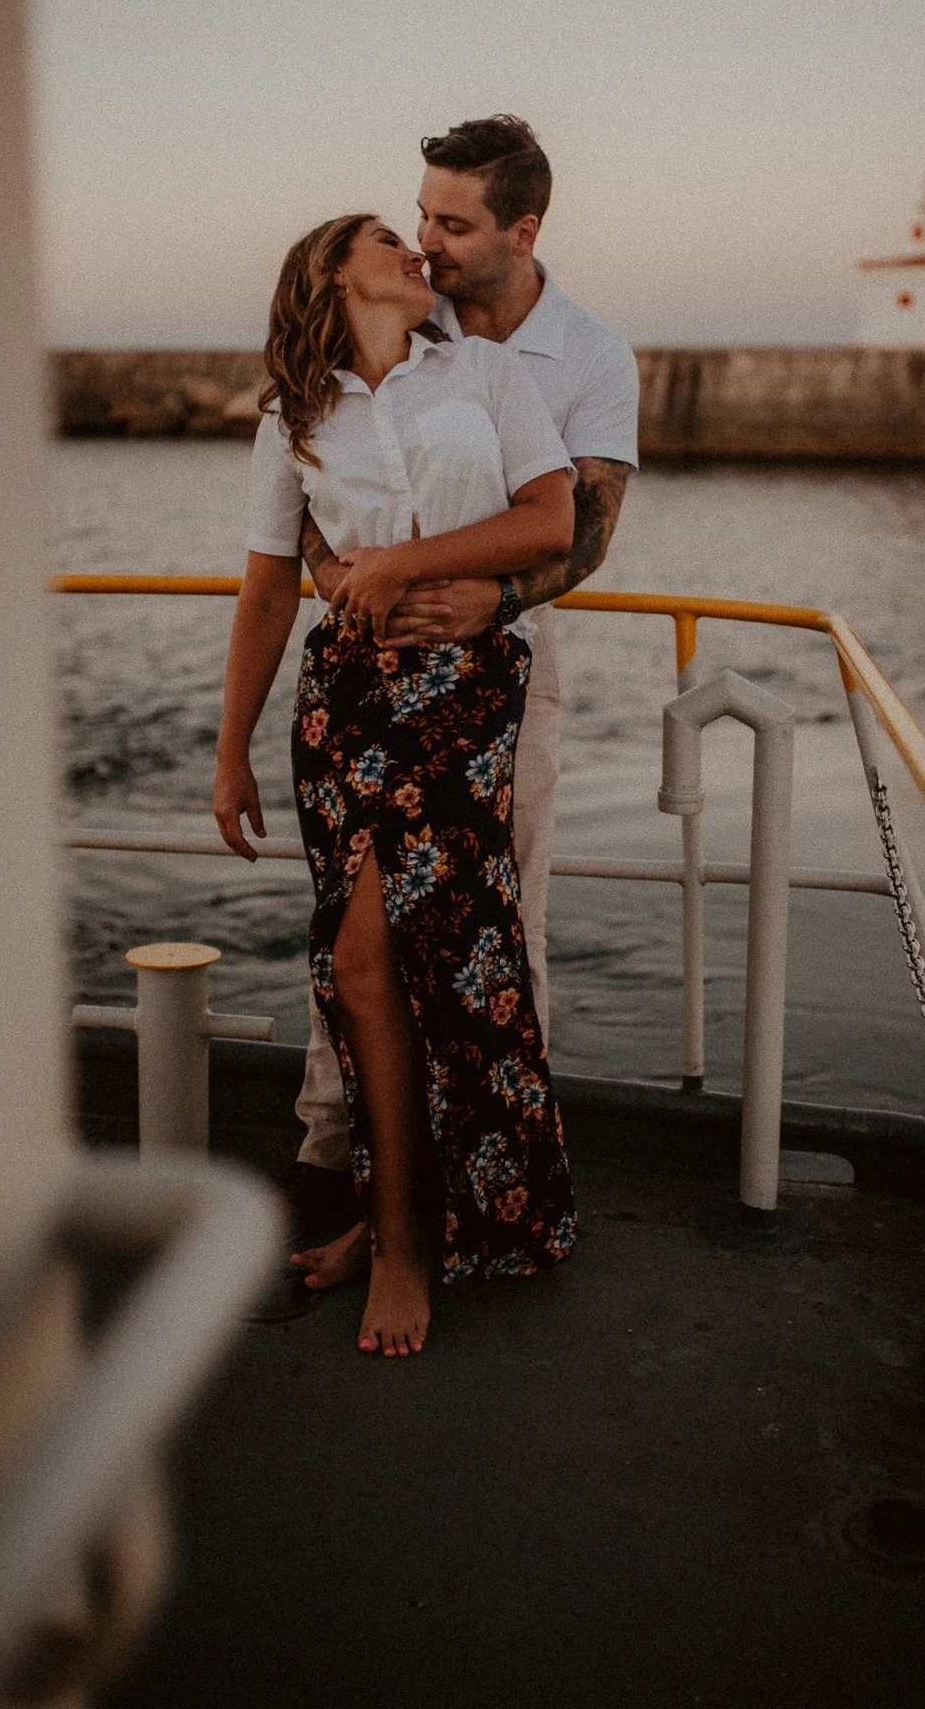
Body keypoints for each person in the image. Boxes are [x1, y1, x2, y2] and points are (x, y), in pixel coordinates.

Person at [214, 212, 578, 1356]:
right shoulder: (292, 415)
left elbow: (550, 519)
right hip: (349, 702)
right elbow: (272, 589)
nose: (414, 248)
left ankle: (407, 1233)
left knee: (452, 967)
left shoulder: (483, 369)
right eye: (386, 235)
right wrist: (228, 749)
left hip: (469, 694)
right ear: (331, 270)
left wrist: (394, 565)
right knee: (362, 965)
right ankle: (392, 1228)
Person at [288, 118, 640, 1276]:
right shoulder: (408, 315)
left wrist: (489, 598)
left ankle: (483, 1190)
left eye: (451, 222)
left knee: (493, 931)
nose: (427, 241)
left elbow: (581, 531)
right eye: (419, 215)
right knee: (356, 930)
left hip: (497, 685)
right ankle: (337, 1154)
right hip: (373, 668)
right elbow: (317, 511)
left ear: (521, 229)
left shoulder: (585, 355)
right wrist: (354, 580)